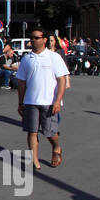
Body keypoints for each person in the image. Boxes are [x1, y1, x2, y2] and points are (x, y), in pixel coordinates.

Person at [16, 28, 69, 169]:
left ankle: (56, 147)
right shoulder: (27, 59)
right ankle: (34, 160)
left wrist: (58, 100)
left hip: (49, 102)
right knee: (31, 131)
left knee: (49, 132)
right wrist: (20, 103)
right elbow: (21, 82)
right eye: (31, 38)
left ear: (44, 40)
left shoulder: (53, 57)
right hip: (30, 101)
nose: (32, 40)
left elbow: (62, 80)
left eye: (36, 38)